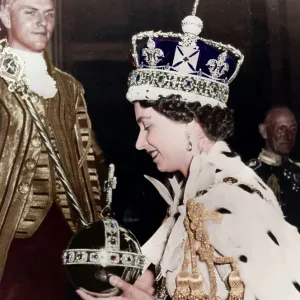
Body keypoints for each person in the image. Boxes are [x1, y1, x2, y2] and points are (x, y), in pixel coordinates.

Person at [77, 1, 300, 300]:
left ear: (189, 122)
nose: (139, 142)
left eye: (147, 125)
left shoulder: (233, 200)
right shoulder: (199, 193)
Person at [0, 0, 103, 299]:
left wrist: (94, 229)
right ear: (5, 14)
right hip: (9, 236)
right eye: (30, 12)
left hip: (66, 237)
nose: (42, 22)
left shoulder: (70, 87)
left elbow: (90, 160)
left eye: (48, 14)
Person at [247, 105, 300, 229]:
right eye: (281, 129)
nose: (288, 136)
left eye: (293, 129)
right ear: (264, 131)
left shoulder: (297, 170)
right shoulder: (250, 175)